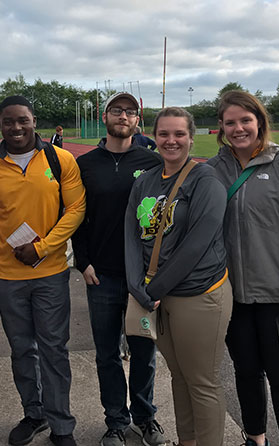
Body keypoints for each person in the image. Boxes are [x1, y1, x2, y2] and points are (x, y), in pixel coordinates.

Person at [207, 91, 279, 446]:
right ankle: (255, 439)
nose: (239, 128)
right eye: (231, 122)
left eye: (246, 120)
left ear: (259, 122)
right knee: (245, 372)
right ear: (222, 128)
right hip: (231, 295)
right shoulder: (212, 171)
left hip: (278, 296)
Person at [0, 95, 86, 446]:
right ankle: (34, 413)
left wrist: (42, 247)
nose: (16, 127)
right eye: (8, 122)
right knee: (22, 350)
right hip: (8, 278)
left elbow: (76, 210)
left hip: (50, 272)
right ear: (1, 124)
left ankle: (61, 426)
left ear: (34, 121)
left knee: (54, 350)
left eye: (22, 120)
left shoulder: (59, 159)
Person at [125, 107, 231, 446]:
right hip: (157, 297)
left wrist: (151, 288)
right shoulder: (146, 180)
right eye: (164, 134)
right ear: (154, 137)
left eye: (179, 134)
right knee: (180, 377)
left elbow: (197, 244)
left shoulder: (205, 180)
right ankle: (187, 440)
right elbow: (130, 234)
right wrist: (134, 284)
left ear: (191, 137)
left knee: (202, 381)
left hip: (198, 294)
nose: (171, 141)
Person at [72, 92, 165, 446]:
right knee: (107, 353)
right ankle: (115, 420)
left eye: (130, 111)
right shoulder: (86, 163)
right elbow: (76, 216)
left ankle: (145, 417)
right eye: (117, 110)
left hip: (141, 277)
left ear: (137, 120)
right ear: (105, 116)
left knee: (144, 351)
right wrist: (83, 261)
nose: (123, 116)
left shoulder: (153, 162)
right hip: (102, 274)